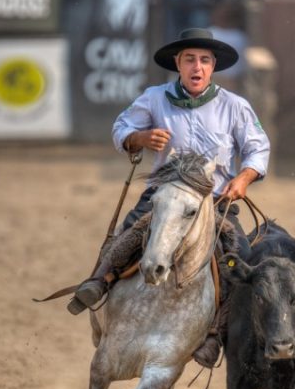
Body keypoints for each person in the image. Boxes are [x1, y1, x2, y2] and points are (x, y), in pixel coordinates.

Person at [68, 28, 270, 363]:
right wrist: (141, 137)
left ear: (213, 66)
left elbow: (258, 148)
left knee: (240, 255)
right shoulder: (154, 97)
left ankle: (215, 332)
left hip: (216, 201)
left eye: (204, 60)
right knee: (131, 232)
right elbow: (121, 128)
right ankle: (99, 281)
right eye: (190, 59)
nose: (197, 66)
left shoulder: (235, 106)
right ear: (177, 63)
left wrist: (245, 179)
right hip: (162, 195)